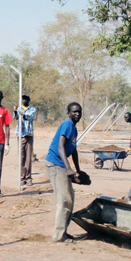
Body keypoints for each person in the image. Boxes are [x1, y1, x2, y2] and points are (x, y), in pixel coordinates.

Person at [46, 102, 83, 243]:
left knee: (70, 199)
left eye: (79, 111)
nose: (77, 114)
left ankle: (63, 233)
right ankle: (59, 236)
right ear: (68, 113)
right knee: (64, 201)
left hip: (62, 165)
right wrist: (68, 168)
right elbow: (61, 146)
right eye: (74, 111)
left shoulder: (74, 129)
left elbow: (73, 150)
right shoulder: (67, 124)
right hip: (55, 164)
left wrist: (78, 170)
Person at [14, 94, 37, 186]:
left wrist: (22, 113)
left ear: (29, 100)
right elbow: (15, 117)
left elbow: (29, 116)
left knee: (28, 157)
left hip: (29, 135)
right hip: (20, 135)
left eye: (26, 99)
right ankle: (22, 177)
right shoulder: (19, 108)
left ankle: (28, 177)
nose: (24, 100)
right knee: (21, 157)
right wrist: (16, 110)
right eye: (23, 99)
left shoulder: (32, 109)